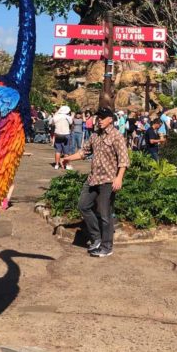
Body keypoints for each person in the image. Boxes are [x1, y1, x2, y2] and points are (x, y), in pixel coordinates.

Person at [64, 107, 130, 258]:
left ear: (110, 119)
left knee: (105, 215)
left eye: (103, 117)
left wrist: (119, 177)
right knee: (83, 206)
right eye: (98, 117)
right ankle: (97, 238)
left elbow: (124, 160)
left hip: (108, 180)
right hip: (93, 178)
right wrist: (67, 158)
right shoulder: (94, 135)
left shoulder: (116, 136)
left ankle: (107, 247)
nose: (99, 120)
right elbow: (84, 152)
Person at [52, 105, 72, 170]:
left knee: (58, 151)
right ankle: (67, 165)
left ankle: (57, 165)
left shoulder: (56, 116)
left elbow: (52, 124)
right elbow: (71, 123)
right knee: (66, 152)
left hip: (58, 134)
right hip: (66, 134)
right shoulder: (68, 117)